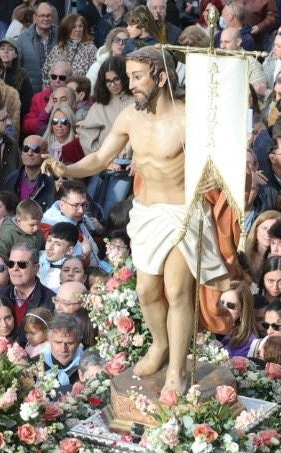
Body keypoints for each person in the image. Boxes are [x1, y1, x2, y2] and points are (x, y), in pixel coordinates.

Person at [45, 46, 224, 392]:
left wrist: (212, 175)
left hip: (183, 214)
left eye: (137, 77)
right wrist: (66, 168)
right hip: (147, 213)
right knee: (145, 291)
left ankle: (177, 368)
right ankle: (159, 344)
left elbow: (218, 166)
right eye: (129, 77)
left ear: (160, 76)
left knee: (176, 290)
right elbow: (98, 157)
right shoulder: (129, 117)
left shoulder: (190, 118)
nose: (131, 85)